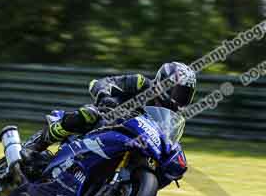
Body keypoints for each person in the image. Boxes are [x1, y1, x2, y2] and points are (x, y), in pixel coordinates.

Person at [20, 62, 197, 165]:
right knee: (88, 114)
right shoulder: (140, 83)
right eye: (177, 92)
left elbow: (167, 141)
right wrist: (106, 98)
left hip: (133, 143)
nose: (179, 99)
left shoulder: (172, 118)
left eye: (184, 95)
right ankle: (36, 144)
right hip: (106, 122)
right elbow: (99, 83)